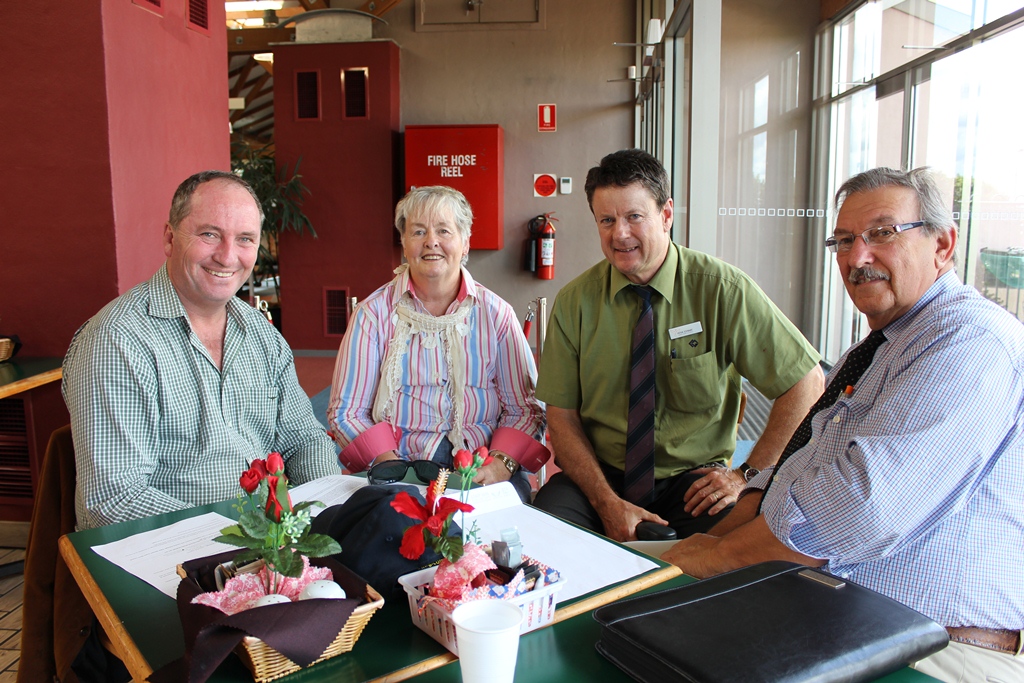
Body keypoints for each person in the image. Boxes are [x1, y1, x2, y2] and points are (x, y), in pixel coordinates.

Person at [664, 167, 1024, 682]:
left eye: (882, 233)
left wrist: (714, 558)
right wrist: (699, 548)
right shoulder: (877, 348)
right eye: (844, 240)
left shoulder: (970, 341)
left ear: (943, 244)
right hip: (832, 615)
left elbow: (856, 508)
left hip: (931, 650)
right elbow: (794, 471)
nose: (857, 258)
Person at [533, 149, 823, 541]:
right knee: (545, 533)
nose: (620, 233)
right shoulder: (575, 302)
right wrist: (605, 502)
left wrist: (747, 475)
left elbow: (805, 382)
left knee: (746, 543)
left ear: (666, 214)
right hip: (601, 477)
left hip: (695, 484)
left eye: (634, 216)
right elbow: (562, 419)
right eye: (607, 220)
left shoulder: (722, 289)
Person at [63, 171, 338, 530]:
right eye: (210, 234)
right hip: (170, 556)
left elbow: (304, 440)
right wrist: (241, 537)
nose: (227, 257)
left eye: (244, 239)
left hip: (268, 542)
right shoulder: (118, 340)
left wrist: (328, 510)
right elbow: (114, 499)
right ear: (169, 238)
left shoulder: (260, 335)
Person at [327, 186, 548, 502]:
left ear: (465, 242)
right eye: (418, 231)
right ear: (404, 243)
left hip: (481, 467)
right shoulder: (372, 315)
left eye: (444, 230)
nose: (431, 241)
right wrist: (390, 465)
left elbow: (525, 408)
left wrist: (501, 464)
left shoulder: (496, 313)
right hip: (399, 467)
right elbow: (346, 410)